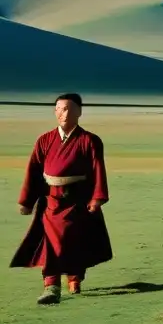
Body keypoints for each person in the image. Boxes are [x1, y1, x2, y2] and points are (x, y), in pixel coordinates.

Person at [9, 93, 113, 305]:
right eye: (59, 109)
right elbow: (34, 171)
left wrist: (97, 198)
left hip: (77, 200)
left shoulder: (89, 141)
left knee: (72, 242)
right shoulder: (45, 140)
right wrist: (27, 201)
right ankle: (51, 286)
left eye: (68, 109)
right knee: (49, 243)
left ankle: (74, 278)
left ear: (79, 112)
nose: (63, 114)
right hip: (50, 201)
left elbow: (98, 170)